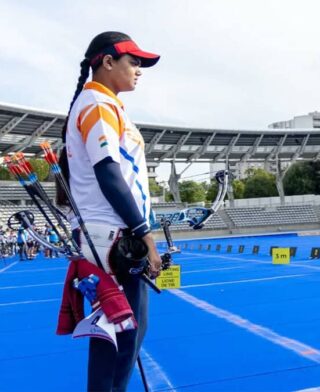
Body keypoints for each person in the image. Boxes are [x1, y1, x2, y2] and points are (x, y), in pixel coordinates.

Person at [58, 31, 163, 391]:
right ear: (106, 61)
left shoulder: (104, 104)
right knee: (118, 335)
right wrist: (144, 235)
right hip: (112, 236)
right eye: (133, 62)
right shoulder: (97, 104)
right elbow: (107, 171)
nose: (139, 70)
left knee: (122, 333)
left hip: (112, 234)